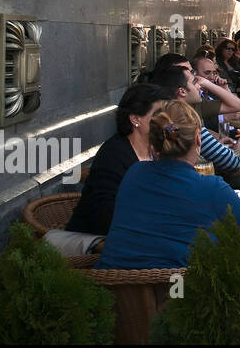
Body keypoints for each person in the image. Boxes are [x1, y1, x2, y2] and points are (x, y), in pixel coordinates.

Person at [95, 98, 240, 270]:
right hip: (174, 291)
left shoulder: (134, 172)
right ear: (198, 140)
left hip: (111, 287)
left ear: (153, 143)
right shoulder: (211, 188)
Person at [43, 84, 168, 256]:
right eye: (158, 114)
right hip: (101, 250)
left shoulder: (158, 150)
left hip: (140, 238)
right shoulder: (114, 154)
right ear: (135, 119)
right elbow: (104, 215)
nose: (166, 120)